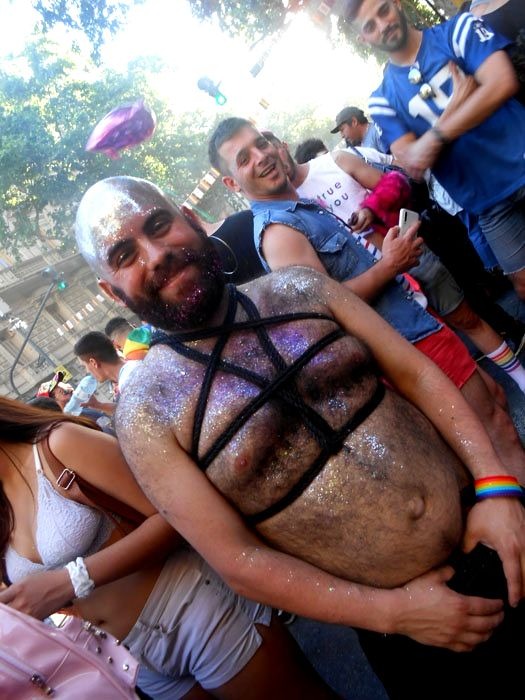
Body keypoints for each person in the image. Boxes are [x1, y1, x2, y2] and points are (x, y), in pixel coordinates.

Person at [74, 174, 525, 699]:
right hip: (414, 627)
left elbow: (417, 376)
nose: (155, 255)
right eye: (125, 254)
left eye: (158, 225)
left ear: (190, 219)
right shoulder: (145, 414)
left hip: (490, 528)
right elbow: (239, 560)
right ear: (111, 290)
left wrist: (497, 487)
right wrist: (396, 614)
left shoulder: (300, 288)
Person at [212, 118, 525, 472]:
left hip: (415, 322)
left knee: (494, 405)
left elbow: (395, 184)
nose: (262, 156)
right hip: (407, 347)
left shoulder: (298, 208)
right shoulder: (279, 232)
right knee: (494, 434)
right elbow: (322, 311)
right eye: (244, 158)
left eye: (261, 143)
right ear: (230, 182)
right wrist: (388, 265)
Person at [0, 397, 337, 699]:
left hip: (193, 609)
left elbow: (174, 515)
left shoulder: (57, 445)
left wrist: (70, 581)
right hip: (132, 659)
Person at [265, 129, 525, 393]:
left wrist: (371, 209)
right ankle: (489, 395)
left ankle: (520, 378)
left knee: (467, 320)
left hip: (412, 258)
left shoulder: (334, 162)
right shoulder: (287, 216)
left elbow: (395, 183)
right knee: (440, 351)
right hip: (381, 294)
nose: (269, 157)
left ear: (282, 145)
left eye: (270, 147)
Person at [345, 0, 525, 300]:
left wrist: (430, 140)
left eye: (383, 11)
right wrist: (458, 103)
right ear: (363, 38)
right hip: (487, 203)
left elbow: (501, 82)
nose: (382, 24)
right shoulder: (382, 99)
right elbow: (413, 163)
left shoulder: (458, 30)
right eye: (369, 26)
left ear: (397, 4)